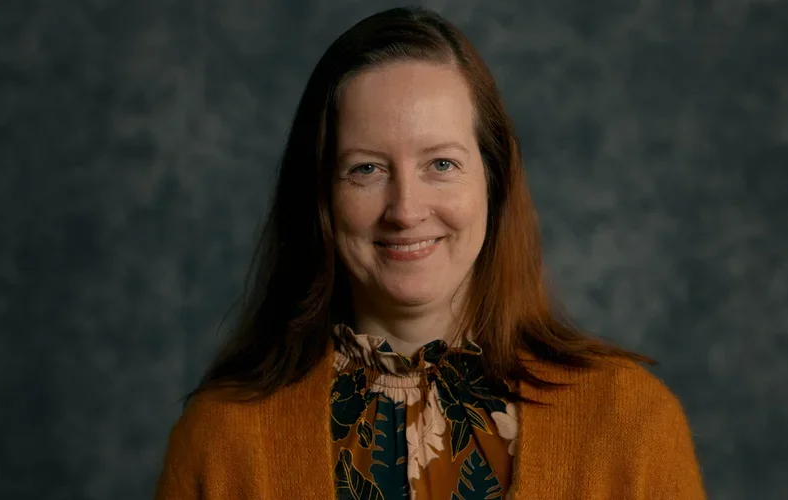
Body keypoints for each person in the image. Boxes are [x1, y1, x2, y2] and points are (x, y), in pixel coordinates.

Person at [154, 6, 705, 500]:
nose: (405, 209)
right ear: (321, 195)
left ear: (493, 180)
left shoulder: (631, 424)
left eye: (441, 164)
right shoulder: (221, 439)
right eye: (366, 169)